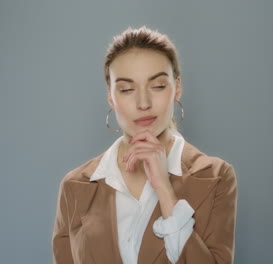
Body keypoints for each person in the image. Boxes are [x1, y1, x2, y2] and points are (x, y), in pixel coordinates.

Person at [51, 25, 238, 264]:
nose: (143, 103)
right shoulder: (74, 187)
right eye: (127, 89)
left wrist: (164, 191)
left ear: (177, 88)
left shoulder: (216, 177)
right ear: (110, 96)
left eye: (158, 85)